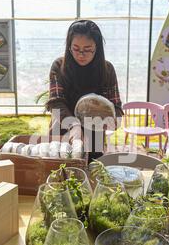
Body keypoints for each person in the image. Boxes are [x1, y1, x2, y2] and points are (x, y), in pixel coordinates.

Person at [45, 20, 123, 160]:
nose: (81, 54)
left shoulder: (107, 70)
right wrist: (74, 125)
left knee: (91, 172)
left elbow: (116, 107)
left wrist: (113, 121)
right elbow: (56, 103)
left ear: (97, 48)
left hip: (94, 137)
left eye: (87, 50)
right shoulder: (59, 66)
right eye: (75, 48)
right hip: (62, 132)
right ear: (69, 46)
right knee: (60, 173)